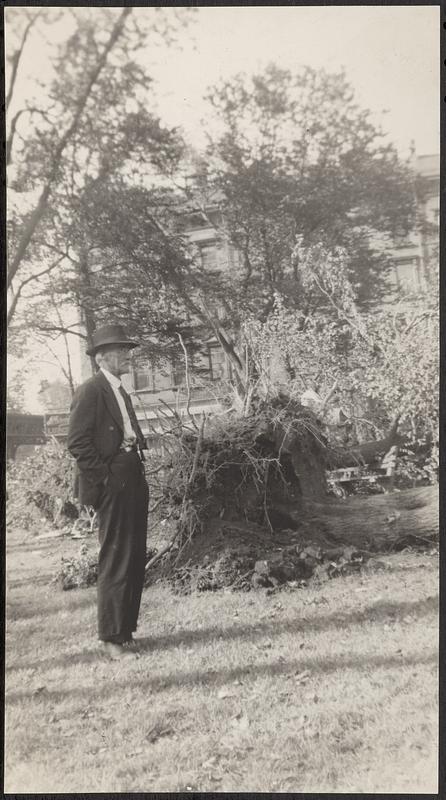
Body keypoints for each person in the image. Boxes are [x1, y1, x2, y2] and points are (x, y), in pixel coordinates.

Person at [67, 324, 149, 659]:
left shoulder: (120, 390)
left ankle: (125, 630)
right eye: (121, 350)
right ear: (102, 357)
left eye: (127, 349)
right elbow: (78, 443)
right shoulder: (91, 390)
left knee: (132, 556)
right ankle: (111, 639)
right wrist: (106, 478)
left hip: (133, 479)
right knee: (115, 557)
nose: (127, 355)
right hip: (114, 483)